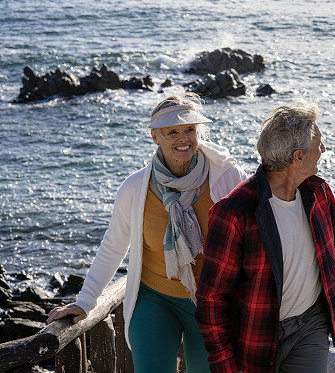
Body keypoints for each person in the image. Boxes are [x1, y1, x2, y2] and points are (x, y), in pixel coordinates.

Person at [196, 102, 335, 373]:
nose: (323, 150)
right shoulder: (234, 212)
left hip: (310, 325)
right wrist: (223, 365)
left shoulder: (319, 194)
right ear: (298, 157)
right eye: (319, 143)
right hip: (256, 336)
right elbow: (212, 298)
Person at [47, 94, 248, 373]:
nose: (184, 138)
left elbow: (251, 239)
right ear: (156, 137)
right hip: (155, 299)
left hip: (212, 303)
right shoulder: (135, 188)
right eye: (172, 131)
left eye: (190, 129)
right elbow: (113, 245)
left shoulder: (226, 177)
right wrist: (84, 302)